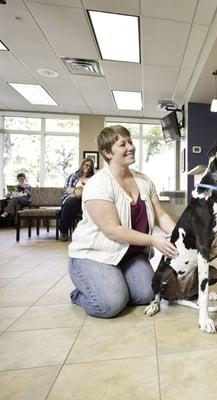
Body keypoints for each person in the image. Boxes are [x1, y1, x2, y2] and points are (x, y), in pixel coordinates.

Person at [67, 125, 177, 318]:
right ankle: (80, 294)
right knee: (110, 304)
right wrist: (153, 240)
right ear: (107, 153)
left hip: (130, 255)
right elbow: (112, 230)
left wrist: (183, 235)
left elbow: (161, 216)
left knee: (148, 294)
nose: (131, 147)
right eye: (122, 144)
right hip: (95, 255)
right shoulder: (98, 183)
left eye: (131, 142)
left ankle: (115, 282)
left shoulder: (144, 180)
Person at [59, 158, 95, 242]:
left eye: (90, 166)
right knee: (70, 203)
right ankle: (63, 232)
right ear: (82, 165)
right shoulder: (74, 176)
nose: (87, 167)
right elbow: (67, 189)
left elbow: (94, 190)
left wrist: (82, 192)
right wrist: (76, 191)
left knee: (92, 205)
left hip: (87, 198)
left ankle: (88, 234)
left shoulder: (93, 178)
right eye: (86, 165)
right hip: (73, 198)